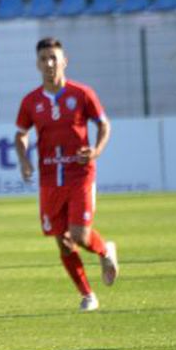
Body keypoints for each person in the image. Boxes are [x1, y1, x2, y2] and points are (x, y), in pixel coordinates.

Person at [14, 38, 119, 312]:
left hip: (80, 173)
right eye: (44, 59)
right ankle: (87, 295)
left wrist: (96, 150)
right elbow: (21, 135)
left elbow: (104, 125)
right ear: (37, 64)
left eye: (53, 58)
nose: (49, 63)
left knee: (79, 235)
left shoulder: (82, 94)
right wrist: (24, 160)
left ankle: (105, 250)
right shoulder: (31, 101)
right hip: (50, 178)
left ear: (64, 61)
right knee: (62, 241)